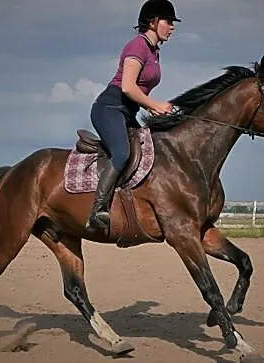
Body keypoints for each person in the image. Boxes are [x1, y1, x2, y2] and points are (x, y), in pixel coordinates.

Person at [85, 0, 181, 233]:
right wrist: (154, 104)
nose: (172, 27)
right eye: (168, 21)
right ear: (153, 22)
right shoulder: (138, 46)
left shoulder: (153, 51)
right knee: (121, 153)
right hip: (109, 108)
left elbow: (138, 92)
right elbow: (127, 87)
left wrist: (154, 108)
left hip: (127, 111)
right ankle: (97, 210)